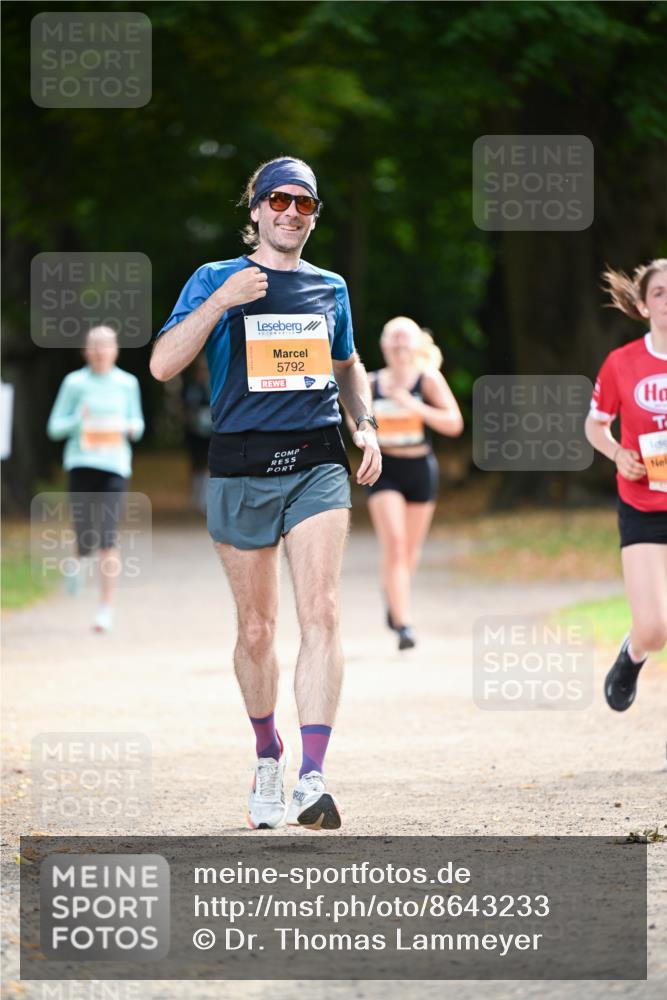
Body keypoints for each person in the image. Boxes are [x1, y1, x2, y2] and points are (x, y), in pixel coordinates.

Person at [150, 156, 381, 831]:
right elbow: (163, 363)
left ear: (312, 215)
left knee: (324, 610)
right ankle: (266, 756)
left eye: (303, 203)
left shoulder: (328, 288)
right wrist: (221, 304)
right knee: (256, 631)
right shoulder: (214, 279)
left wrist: (363, 423)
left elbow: (347, 365)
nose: (289, 212)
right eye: (277, 200)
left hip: (316, 461)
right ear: (254, 210)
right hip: (239, 463)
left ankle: (312, 776)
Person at [350, 317, 463, 650]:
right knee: (395, 545)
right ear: (384, 346)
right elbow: (353, 421)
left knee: (410, 551)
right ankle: (404, 625)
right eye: (393, 340)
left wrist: (413, 404)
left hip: (420, 469)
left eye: (405, 340)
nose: (399, 346)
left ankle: (393, 597)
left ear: (416, 345)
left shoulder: (427, 379)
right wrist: (363, 432)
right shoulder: (369, 383)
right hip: (385, 469)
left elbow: (454, 423)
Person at [585, 259, 667, 711]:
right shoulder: (622, 363)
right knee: (654, 628)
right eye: (659, 293)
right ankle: (633, 654)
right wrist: (618, 454)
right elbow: (595, 427)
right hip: (644, 507)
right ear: (641, 304)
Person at [47, 325, 145, 633]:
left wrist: (129, 426)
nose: (101, 351)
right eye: (95, 345)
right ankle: (79, 560)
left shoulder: (127, 383)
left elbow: (138, 424)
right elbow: (54, 428)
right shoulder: (74, 383)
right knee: (85, 533)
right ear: (85, 351)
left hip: (114, 465)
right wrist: (78, 420)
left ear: (116, 350)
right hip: (81, 462)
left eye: (106, 345)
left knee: (107, 535)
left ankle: (105, 608)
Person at [181, 354, 212, 513]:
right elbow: (186, 409)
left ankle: (204, 499)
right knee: (196, 464)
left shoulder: (214, 386)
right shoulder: (192, 388)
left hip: (211, 432)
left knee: (209, 464)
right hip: (195, 432)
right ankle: (196, 494)